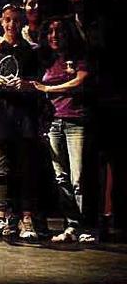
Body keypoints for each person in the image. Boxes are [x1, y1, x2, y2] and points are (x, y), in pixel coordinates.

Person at [0, 4, 41, 239]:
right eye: (7, 20)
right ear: (1, 22)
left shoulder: (31, 52)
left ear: (22, 22)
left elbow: (39, 84)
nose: (11, 24)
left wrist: (25, 85)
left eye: (16, 20)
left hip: (23, 118)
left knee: (24, 170)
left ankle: (26, 220)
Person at [33, 17, 95, 243]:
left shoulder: (78, 57)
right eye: (50, 31)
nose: (54, 35)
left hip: (75, 121)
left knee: (78, 178)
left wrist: (50, 88)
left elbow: (81, 80)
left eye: (59, 31)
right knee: (61, 177)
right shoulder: (46, 60)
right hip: (53, 122)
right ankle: (72, 225)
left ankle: (84, 227)